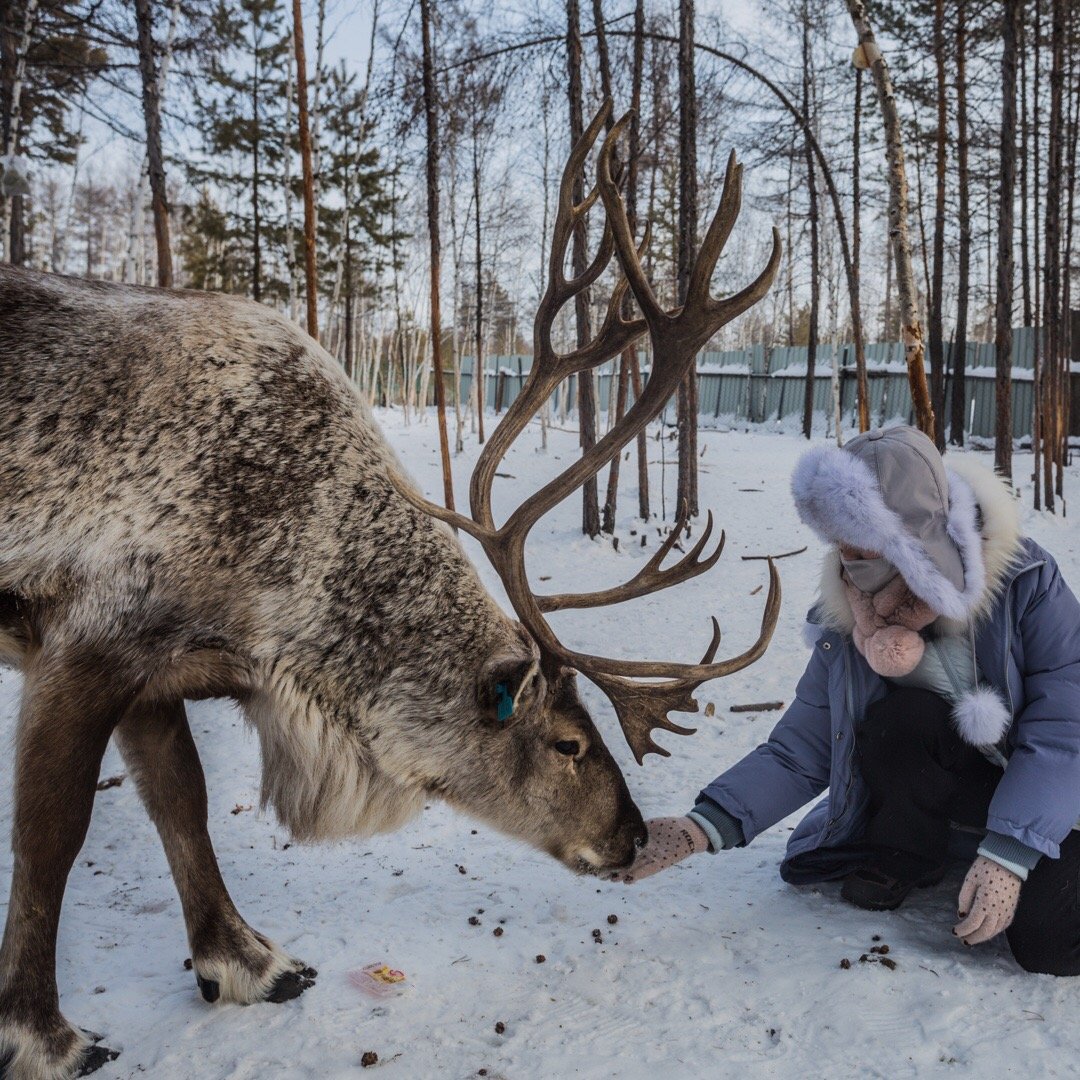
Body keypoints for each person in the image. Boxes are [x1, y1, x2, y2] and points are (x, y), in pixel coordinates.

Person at [616, 426, 1080, 976]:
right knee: (898, 720)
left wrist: (1012, 849)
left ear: (913, 534)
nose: (846, 556)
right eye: (838, 539)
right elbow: (805, 745)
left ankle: (1005, 847)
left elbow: (1065, 728)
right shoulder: (850, 615)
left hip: (1057, 795)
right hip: (960, 782)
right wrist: (703, 825)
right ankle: (910, 851)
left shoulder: (1024, 581)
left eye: (860, 537)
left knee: (1048, 946)